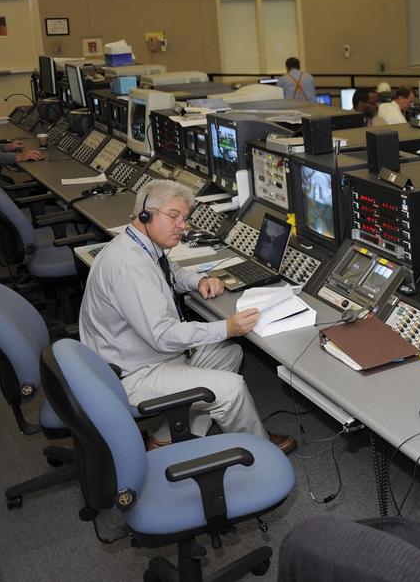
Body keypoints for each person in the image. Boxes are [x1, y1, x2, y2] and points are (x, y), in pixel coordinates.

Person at [78, 179, 295, 454]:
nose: (183, 225)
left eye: (185, 218)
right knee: (231, 388)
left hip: (141, 354)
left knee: (228, 355)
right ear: (146, 213)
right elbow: (164, 336)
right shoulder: (129, 266)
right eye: (174, 216)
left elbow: (170, 273)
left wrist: (198, 280)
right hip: (132, 375)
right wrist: (226, 327)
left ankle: (169, 436)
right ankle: (258, 452)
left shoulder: (139, 245)